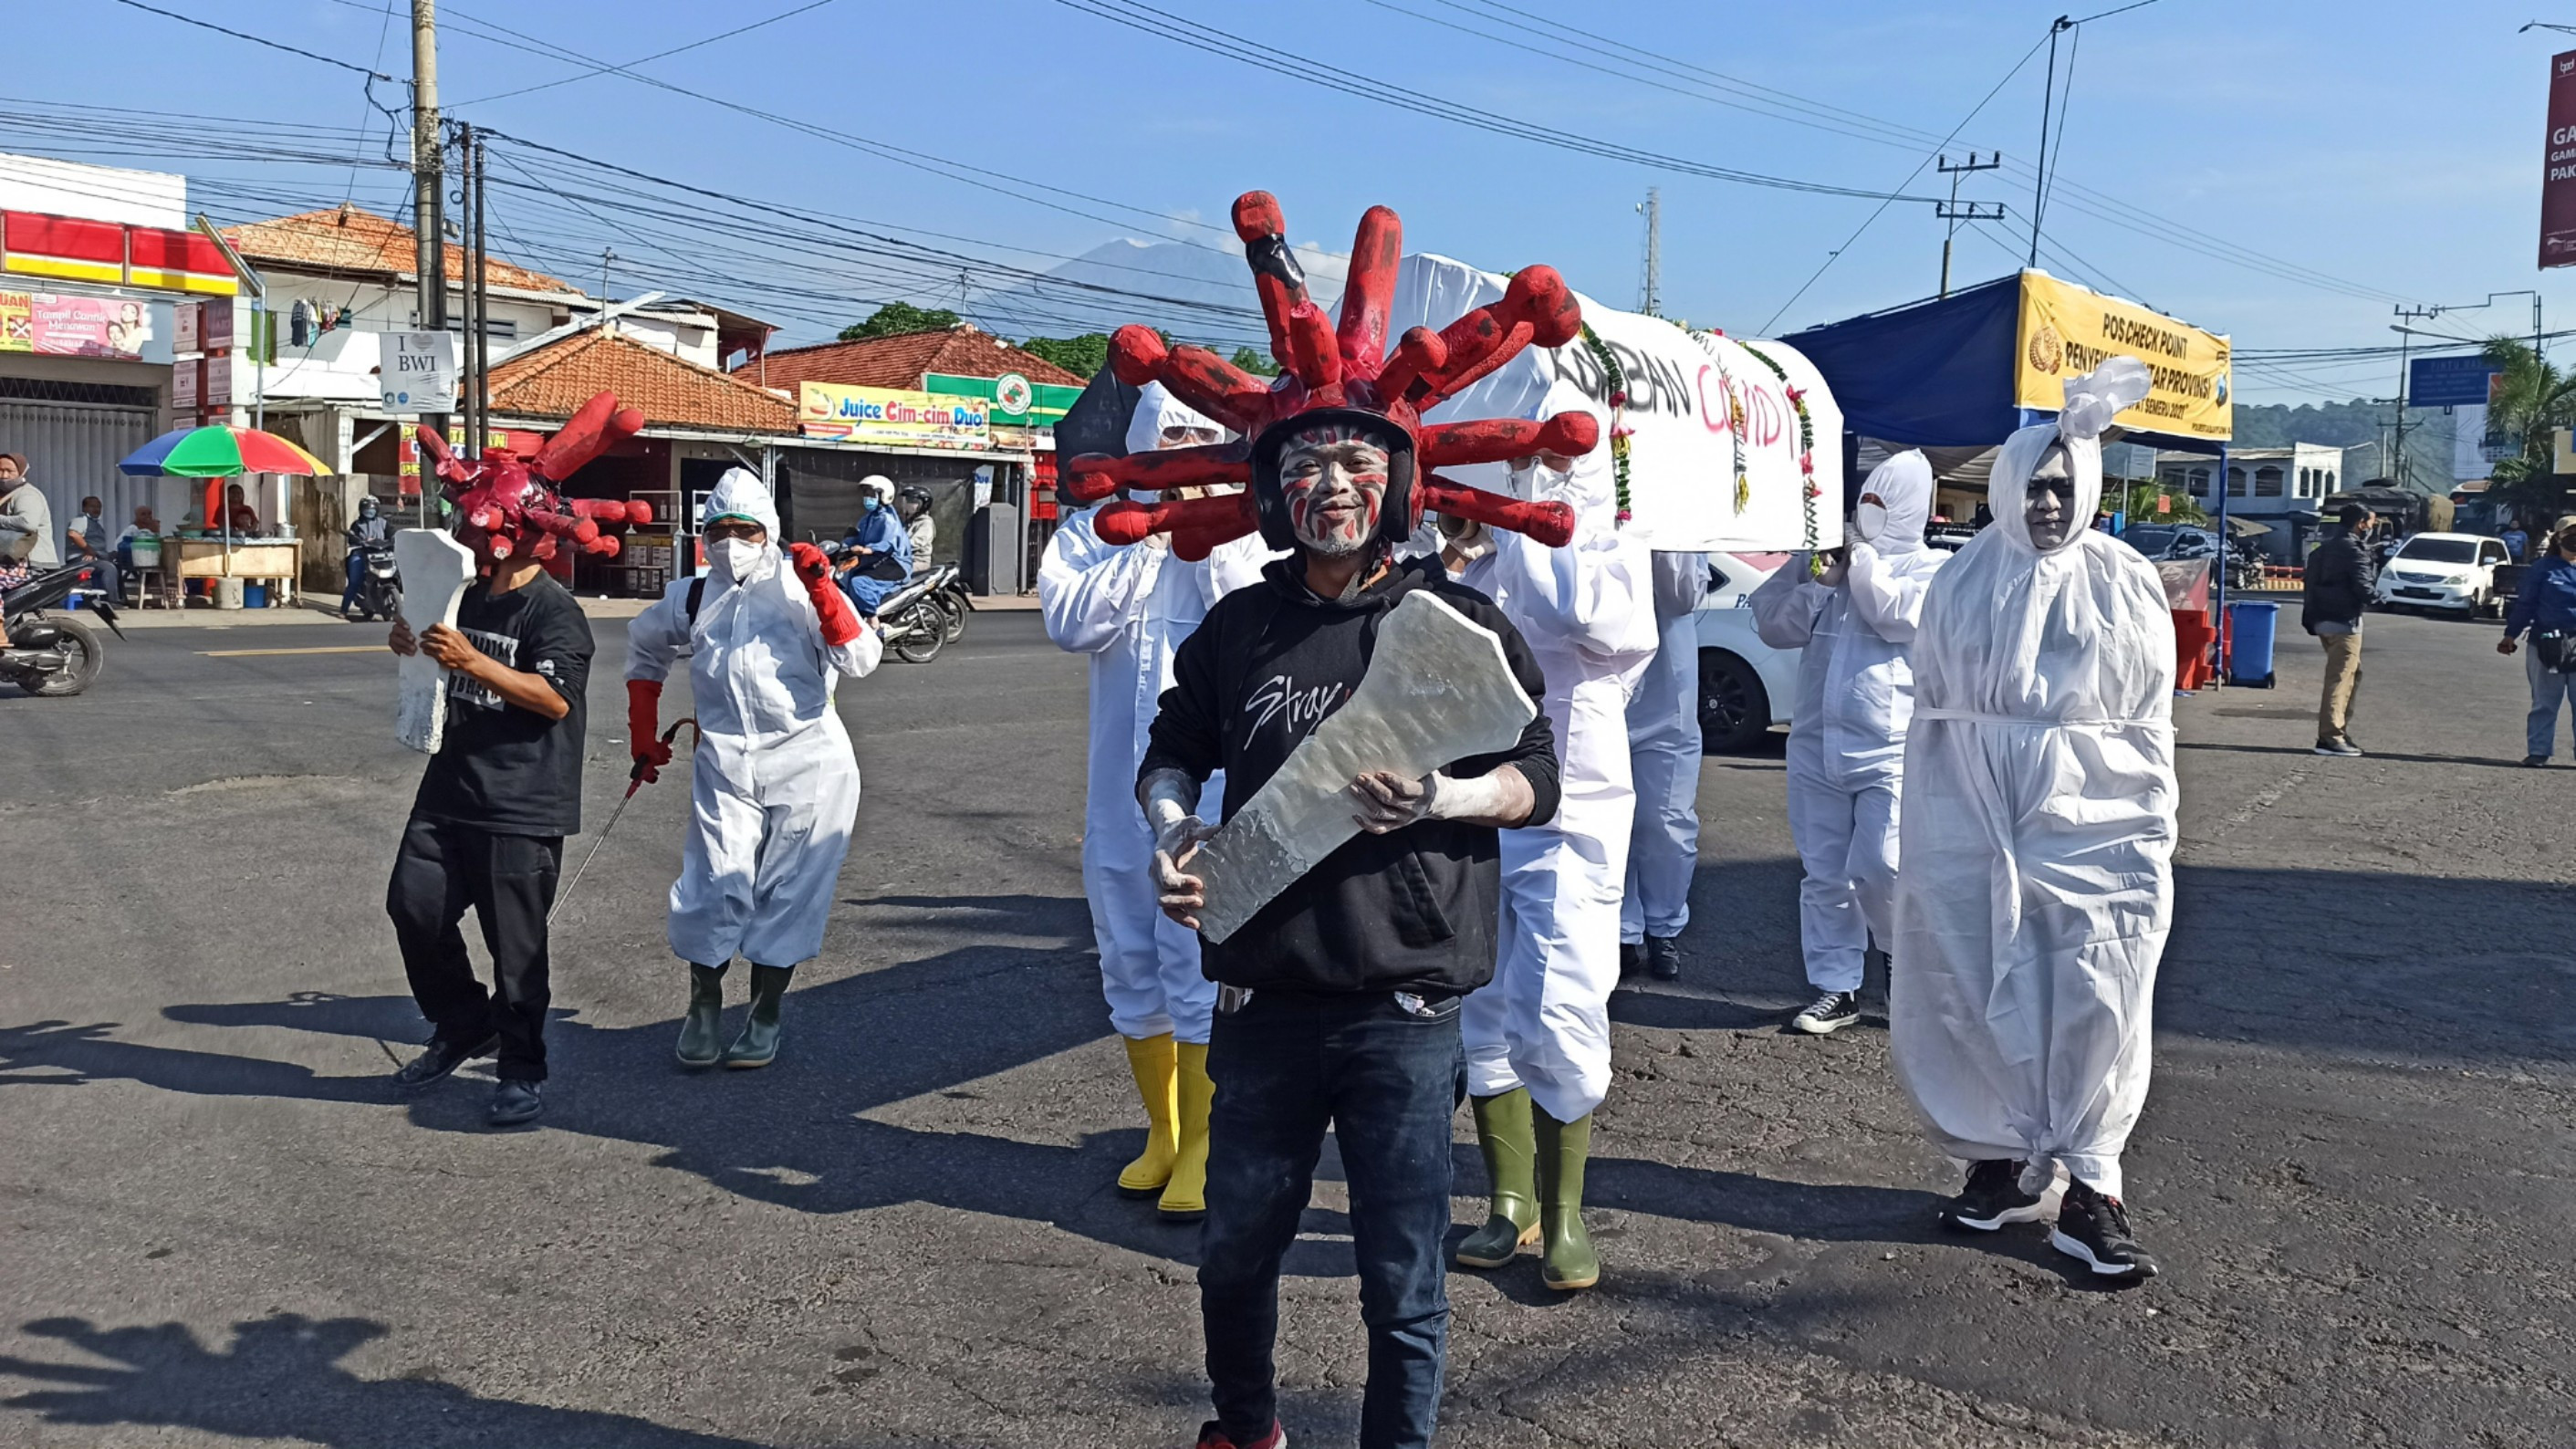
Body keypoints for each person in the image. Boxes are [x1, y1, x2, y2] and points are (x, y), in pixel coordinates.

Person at [1893, 358, 2175, 1280]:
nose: (2048, 503)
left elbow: (2144, 721)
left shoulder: (2126, 583)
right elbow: (1934, 716)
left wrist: (2136, 820)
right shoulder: (1962, 581)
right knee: (1974, 975)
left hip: (2095, 810)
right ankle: (2005, 1157)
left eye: (2063, 486)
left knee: (2101, 983)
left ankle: (2092, 1186)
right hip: (1973, 806)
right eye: (2032, 485)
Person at [1038, 381, 1267, 1221]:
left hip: (1210, 793)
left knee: (1195, 959)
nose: (1184, 455)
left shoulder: (1247, 530)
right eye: (1169, 438)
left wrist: (1207, 529)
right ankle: (1163, 1130)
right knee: (1127, 953)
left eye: (1199, 439)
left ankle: (1207, 1141)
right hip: (1113, 794)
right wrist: (1149, 537)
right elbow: (1070, 623)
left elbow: (1253, 617)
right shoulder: (1095, 529)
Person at [1445, 392, 1656, 1292]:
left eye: (1559, 462)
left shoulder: (1613, 551)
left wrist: (1536, 526)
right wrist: (1453, 557)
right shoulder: (1484, 555)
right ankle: (1510, 1205)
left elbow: (1579, 620)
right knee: (1482, 995)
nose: (1540, 477)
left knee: (1566, 996)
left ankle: (1566, 1213)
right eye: (1528, 459)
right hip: (1478, 791)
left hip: (1577, 802)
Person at [627, 468, 882, 1069]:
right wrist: (643, 731)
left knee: (787, 893)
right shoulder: (690, 595)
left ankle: (765, 1014)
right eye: (720, 530)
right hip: (724, 762)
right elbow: (645, 649)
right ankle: (704, 1005)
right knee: (714, 884)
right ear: (704, 535)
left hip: (809, 762)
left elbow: (861, 659)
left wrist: (823, 590)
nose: (731, 542)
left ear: (768, 532)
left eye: (745, 529)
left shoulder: (799, 588)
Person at [382, 467, 597, 1129]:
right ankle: (462, 1024)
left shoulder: (555, 611)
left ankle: (521, 1070)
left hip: (521, 801)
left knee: (517, 949)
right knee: (413, 910)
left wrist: (474, 662)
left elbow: (553, 698)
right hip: (449, 788)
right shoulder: (463, 596)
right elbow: (435, 658)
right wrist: (408, 645)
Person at [1747, 451, 1947, 1037]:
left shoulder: (1930, 569)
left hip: (1891, 747)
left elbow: (1895, 616)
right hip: (1815, 742)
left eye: (1884, 505)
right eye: (1866, 502)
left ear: (1914, 508)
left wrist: (1857, 561)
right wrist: (1817, 582)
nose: (1870, 514)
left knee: (1882, 866)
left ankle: (1898, 957)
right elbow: (1772, 625)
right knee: (1825, 872)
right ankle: (1837, 987)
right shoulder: (1824, 560)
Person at [1619, 547, 1706, 983]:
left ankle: (1663, 927)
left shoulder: (1681, 522)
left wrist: (1659, 531)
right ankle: (1621, 933)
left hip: (1667, 700)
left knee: (1666, 824)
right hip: (1604, 689)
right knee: (1609, 820)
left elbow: (1680, 594)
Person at [2499, 522, 2576, 766]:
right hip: (2546, 644)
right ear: (2558, 538)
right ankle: (2539, 751)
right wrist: (2511, 634)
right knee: (2544, 701)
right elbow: (2526, 604)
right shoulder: (2542, 569)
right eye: (2570, 534)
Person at [2302, 502, 2376, 757]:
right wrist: (2377, 597)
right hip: (2344, 621)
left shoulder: (2324, 548)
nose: (2371, 528)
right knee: (2340, 678)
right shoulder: (2353, 550)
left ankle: (2338, 730)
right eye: (2371, 523)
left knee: (2352, 673)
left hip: (2321, 619)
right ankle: (2331, 737)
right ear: (2361, 523)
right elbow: (2363, 586)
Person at [835, 474, 913, 616]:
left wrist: (866, 550)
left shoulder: (888, 520)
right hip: (876, 560)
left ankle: (873, 621)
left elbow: (887, 545)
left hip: (894, 563)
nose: (867, 498)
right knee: (846, 573)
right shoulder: (867, 519)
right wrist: (842, 546)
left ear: (883, 495)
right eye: (865, 494)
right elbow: (856, 536)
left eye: (871, 494)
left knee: (859, 583)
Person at [0, 452, 57, 590]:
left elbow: (27, 523)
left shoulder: (27, 494)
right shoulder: (5, 494)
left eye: (10, 471)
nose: (4, 476)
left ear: (22, 472)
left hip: (30, 563)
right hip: (10, 560)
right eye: (0, 470)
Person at [64, 495, 119, 605]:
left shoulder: (95, 524)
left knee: (118, 563)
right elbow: (73, 534)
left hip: (96, 557)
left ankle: (118, 599)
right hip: (81, 558)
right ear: (84, 508)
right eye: (92, 506)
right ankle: (111, 601)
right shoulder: (81, 519)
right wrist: (89, 550)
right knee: (109, 568)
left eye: (99, 507)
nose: (96, 509)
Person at [342, 497, 391, 614]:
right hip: (361, 554)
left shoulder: (384, 523)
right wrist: (357, 540)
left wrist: (393, 540)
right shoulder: (357, 524)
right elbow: (352, 537)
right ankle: (344, 610)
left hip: (380, 555)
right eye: (366, 509)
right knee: (354, 581)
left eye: (372, 510)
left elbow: (392, 535)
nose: (369, 512)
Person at [896, 485, 936, 564]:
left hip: (918, 562)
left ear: (923, 505)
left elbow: (916, 543)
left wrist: (895, 547)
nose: (907, 504)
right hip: (904, 560)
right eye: (907, 501)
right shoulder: (907, 521)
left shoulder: (926, 523)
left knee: (893, 573)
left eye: (912, 501)